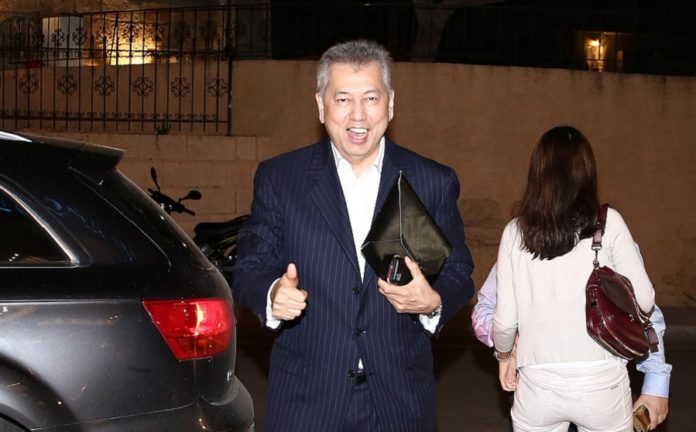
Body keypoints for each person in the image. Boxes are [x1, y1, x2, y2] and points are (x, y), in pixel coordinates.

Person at [232, 39, 474, 432]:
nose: (357, 114)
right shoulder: (281, 179)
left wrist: (433, 301)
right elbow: (249, 266)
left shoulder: (432, 181)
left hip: (399, 403)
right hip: (307, 402)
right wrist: (272, 293)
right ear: (321, 105)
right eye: (342, 99)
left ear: (390, 104)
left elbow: (459, 271)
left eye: (371, 98)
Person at [492, 126, 656, 432]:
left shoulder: (515, 232)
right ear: (587, 173)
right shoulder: (609, 223)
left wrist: (504, 356)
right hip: (601, 381)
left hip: (538, 383)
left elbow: (504, 322)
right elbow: (645, 300)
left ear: (537, 172)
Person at [472, 263, 671, 431]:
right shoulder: (520, 240)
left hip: (599, 385)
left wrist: (655, 383)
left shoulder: (610, 237)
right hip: (534, 386)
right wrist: (510, 341)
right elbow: (485, 309)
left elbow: (644, 312)